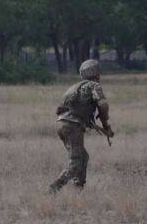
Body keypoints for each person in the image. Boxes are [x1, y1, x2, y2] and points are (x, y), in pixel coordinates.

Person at [48, 59, 114, 194]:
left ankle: (78, 187)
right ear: (95, 74)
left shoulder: (73, 88)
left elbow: (61, 109)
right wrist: (106, 123)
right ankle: (54, 187)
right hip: (73, 127)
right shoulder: (94, 86)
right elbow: (103, 105)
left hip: (62, 125)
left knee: (83, 156)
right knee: (77, 160)